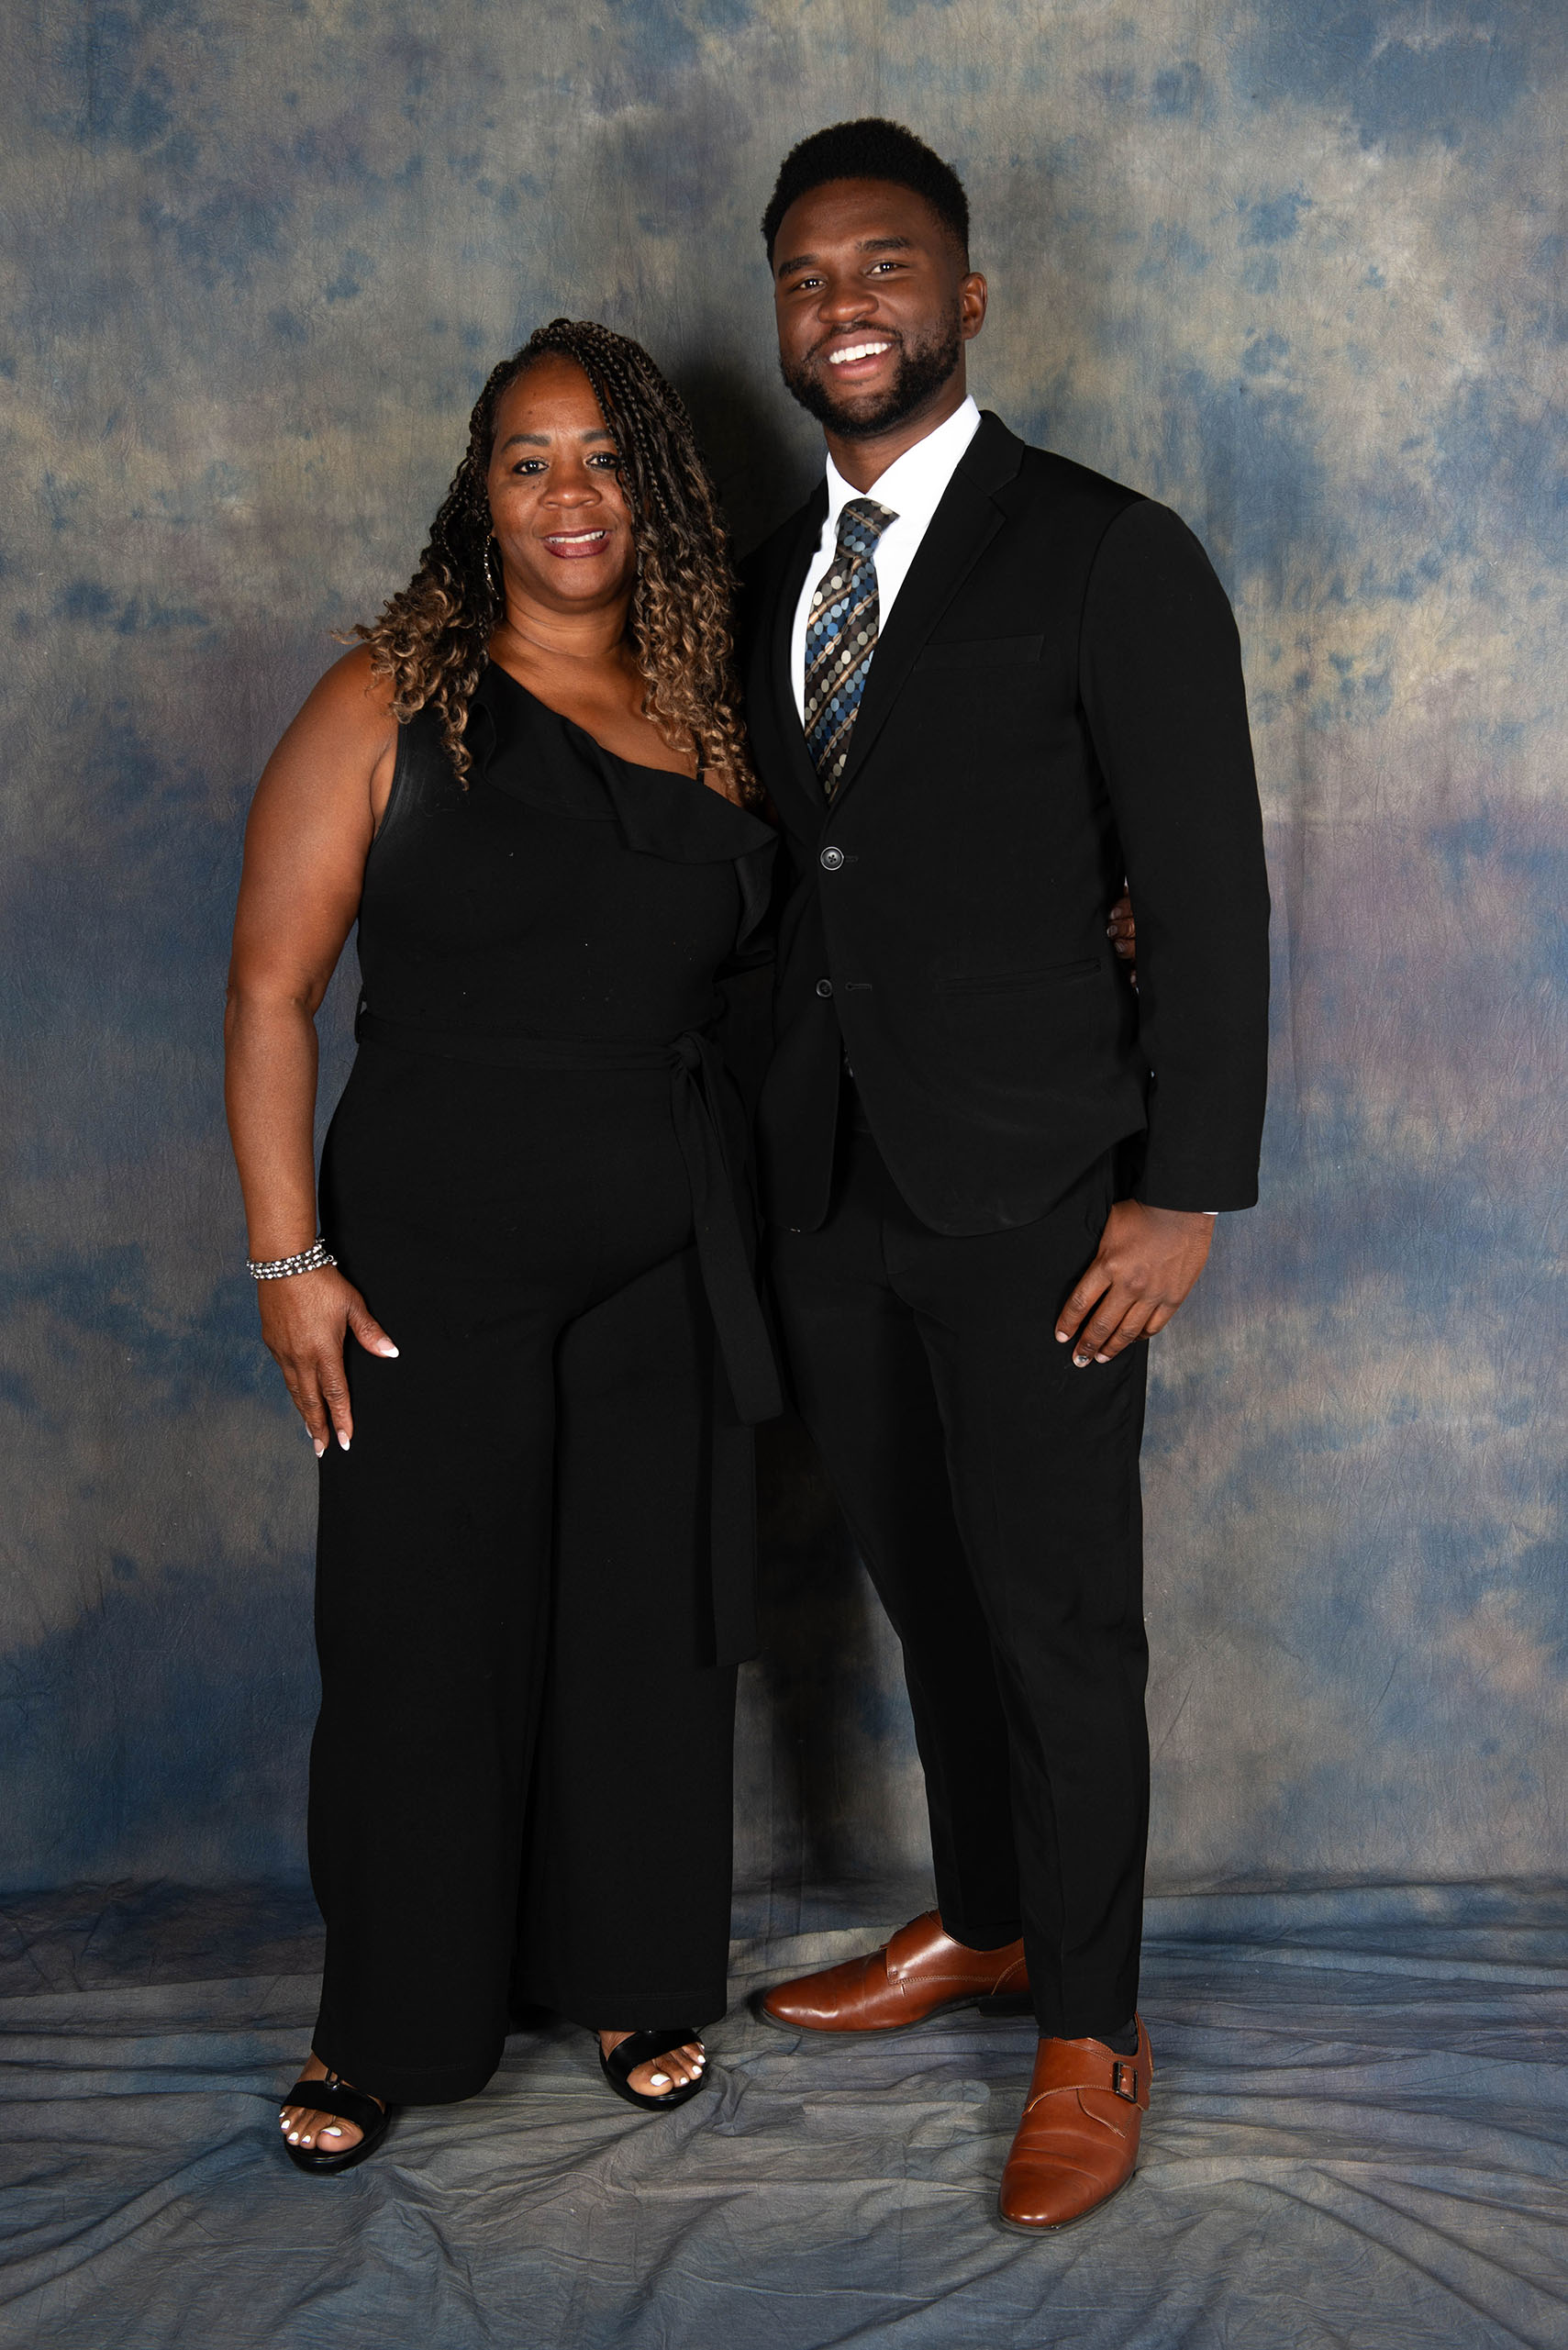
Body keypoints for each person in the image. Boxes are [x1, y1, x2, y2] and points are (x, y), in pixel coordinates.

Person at [741, 121, 1271, 2233]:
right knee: (923, 1584)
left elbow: (1206, 891)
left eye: (883, 264)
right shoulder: (775, 572)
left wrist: (1181, 1189)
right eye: (805, 274)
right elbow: (806, 864)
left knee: (1056, 1618)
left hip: (1047, 1187)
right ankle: (986, 1919)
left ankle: (1093, 2027)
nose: (842, 304)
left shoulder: (1107, 552)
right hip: (830, 1185)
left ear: (963, 297)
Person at [224, 319, 781, 2173]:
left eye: (606, 457)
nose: (569, 495)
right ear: (481, 489)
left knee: (643, 1627)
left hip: (665, 1251)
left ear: (657, 490)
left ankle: (632, 1972)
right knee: (420, 1636)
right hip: (425, 1251)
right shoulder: (388, 695)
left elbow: (816, 953)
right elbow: (270, 989)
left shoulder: (715, 706)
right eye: (530, 459)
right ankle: (385, 2022)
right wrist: (287, 1261)